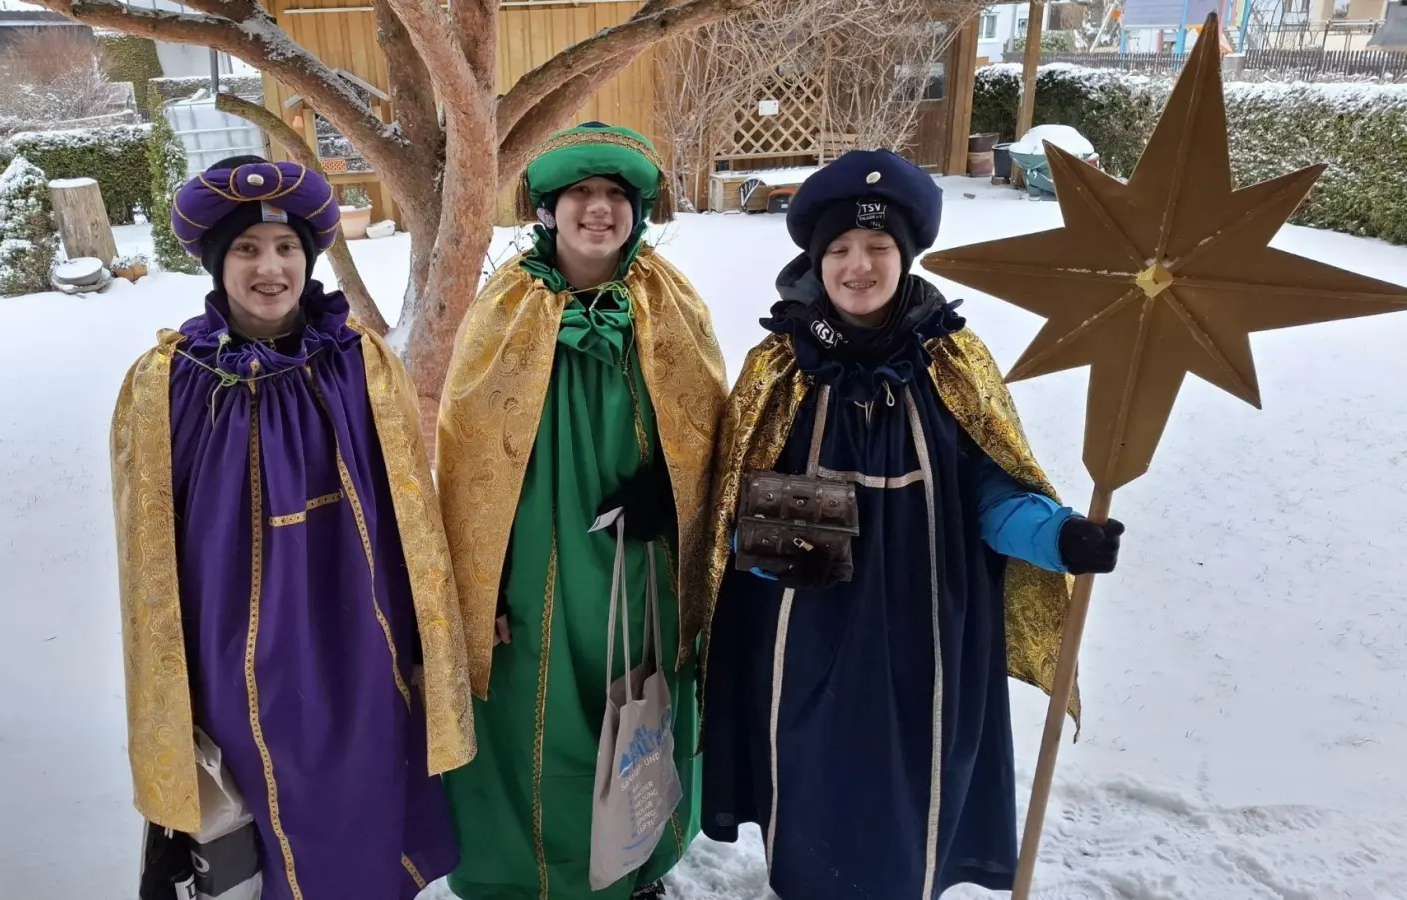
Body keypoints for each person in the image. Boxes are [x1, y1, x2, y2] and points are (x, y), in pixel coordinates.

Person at [692, 149, 1125, 900]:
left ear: (906, 255)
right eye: (840, 250)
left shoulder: (952, 362)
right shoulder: (777, 367)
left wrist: (1059, 537)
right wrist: (751, 549)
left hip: (927, 634)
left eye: (879, 248)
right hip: (802, 636)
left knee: (914, 785)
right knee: (810, 781)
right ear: (816, 260)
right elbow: (729, 497)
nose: (859, 266)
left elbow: (993, 494)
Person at [110, 154, 476, 900]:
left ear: (309, 259)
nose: (268, 268)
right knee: (259, 812)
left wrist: (418, 640)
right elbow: (147, 545)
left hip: (359, 633)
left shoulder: (358, 362)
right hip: (230, 647)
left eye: (285, 249)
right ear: (218, 263)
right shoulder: (171, 381)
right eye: (246, 250)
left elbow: (408, 507)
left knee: (364, 795)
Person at [435, 123, 727, 900]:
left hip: (641, 555)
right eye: (580, 196)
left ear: (636, 211)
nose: (598, 211)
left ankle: (631, 865)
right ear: (549, 211)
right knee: (541, 718)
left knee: (636, 701)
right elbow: (463, 457)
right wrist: (480, 586)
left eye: (615, 197)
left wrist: (673, 492)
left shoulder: (670, 299)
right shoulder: (504, 306)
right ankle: (538, 878)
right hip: (529, 559)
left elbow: (708, 421)